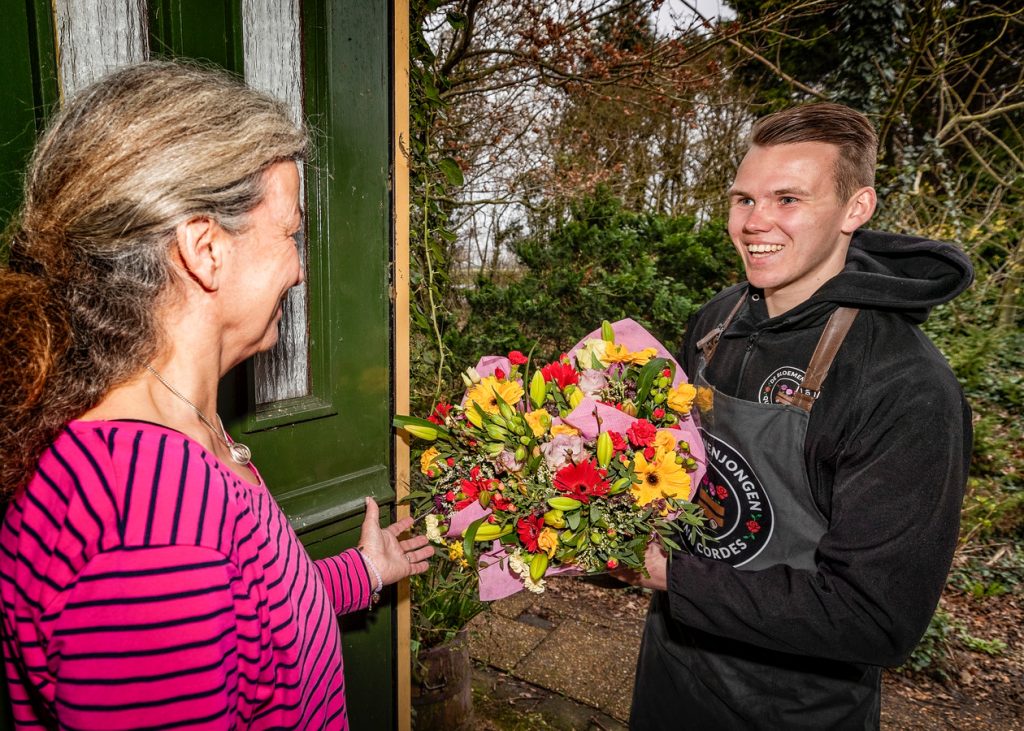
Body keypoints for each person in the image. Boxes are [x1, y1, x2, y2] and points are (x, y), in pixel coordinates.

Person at [0, 61, 432, 729]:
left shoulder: (176, 440)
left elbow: (251, 615)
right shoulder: (150, 522)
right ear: (205, 248)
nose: (298, 268)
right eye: (289, 234)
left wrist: (364, 571)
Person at [614, 102, 973, 729]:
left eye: (788, 199)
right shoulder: (717, 322)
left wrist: (673, 577)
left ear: (855, 210)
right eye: (743, 199)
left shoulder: (906, 384)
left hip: (793, 708)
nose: (755, 223)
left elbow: (874, 617)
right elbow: (672, 465)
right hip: (672, 670)